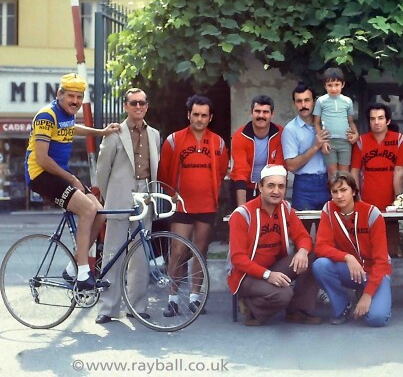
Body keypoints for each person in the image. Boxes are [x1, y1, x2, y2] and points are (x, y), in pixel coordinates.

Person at [24, 72, 120, 290]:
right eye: (71, 96)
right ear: (60, 94)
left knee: (99, 212)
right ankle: (83, 273)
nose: (75, 101)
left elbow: (73, 128)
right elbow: (41, 159)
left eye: (79, 97)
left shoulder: (65, 114)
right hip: (40, 175)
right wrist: (72, 178)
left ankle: (71, 269)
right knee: (87, 209)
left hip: (58, 173)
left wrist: (101, 132)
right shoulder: (47, 116)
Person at [157, 95, 229, 316]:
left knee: (200, 251)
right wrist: (173, 197)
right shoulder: (174, 140)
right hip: (181, 206)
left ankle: (196, 298)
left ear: (210, 118)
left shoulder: (218, 142)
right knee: (178, 250)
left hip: (207, 205)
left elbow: (222, 171)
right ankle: (172, 298)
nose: (199, 119)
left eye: (204, 115)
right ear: (189, 115)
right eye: (195, 114)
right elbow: (164, 173)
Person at [94, 88, 160, 324]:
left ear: (147, 106)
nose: (138, 107)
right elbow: (102, 170)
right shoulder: (114, 133)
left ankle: (137, 306)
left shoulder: (154, 134)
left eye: (142, 102)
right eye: (133, 103)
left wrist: (150, 192)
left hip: (145, 193)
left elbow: (155, 167)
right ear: (125, 106)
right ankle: (108, 307)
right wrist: (107, 195)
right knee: (114, 251)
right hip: (119, 193)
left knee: (141, 252)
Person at [228, 164, 321, 326]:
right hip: (246, 276)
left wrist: (302, 251)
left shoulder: (285, 209)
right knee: (284, 294)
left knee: (312, 257)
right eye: (270, 185)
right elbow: (238, 259)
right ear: (260, 187)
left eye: (281, 186)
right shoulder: (242, 214)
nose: (276, 191)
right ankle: (251, 308)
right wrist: (267, 275)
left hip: (274, 267)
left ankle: (297, 311)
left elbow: (303, 237)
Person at [313, 171, 392, 327]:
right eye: (334, 191)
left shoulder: (372, 213)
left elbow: (382, 261)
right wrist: (347, 257)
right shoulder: (329, 210)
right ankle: (342, 304)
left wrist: (367, 296)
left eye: (343, 190)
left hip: (374, 271)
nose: (339, 196)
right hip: (350, 268)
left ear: (354, 191)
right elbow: (321, 247)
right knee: (320, 265)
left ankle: (368, 293)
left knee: (376, 319)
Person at [350, 103, 403, 257]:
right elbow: (354, 171)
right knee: (368, 247)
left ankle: (390, 279)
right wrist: (356, 197)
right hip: (367, 201)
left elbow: (399, 170)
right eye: (373, 119)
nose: (376, 122)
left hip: (390, 202)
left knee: (392, 248)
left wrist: (398, 197)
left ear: (388, 121)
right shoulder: (362, 141)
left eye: (380, 118)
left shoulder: (399, 140)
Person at [282, 83, 331, 227]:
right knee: (302, 235)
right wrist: (315, 146)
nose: (303, 105)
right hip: (304, 185)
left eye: (307, 100)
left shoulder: (326, 124)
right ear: (294, 104)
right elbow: (290, 165)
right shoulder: (290, 130)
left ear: (314, 101)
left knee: (328, 235)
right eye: (299, 101)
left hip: (328, 182)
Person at [230, 95, 284, 208]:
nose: (261, 116)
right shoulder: (239, 136)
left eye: (265, 112)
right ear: (251, 113)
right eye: (257, 111)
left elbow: (279, 169)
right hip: (244, 188)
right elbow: (240, 172)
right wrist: (242, 210)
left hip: (269, 187)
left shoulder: (281, 134)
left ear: (272, 114)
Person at [313, 68, 359, 178]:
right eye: (330, 85)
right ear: (325, 86)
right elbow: (316, 123)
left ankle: (344, 195)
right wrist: (323, 142)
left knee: (344, 174)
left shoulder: (347, 101)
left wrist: (356, 134)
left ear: (342, 84)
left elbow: (350, 121)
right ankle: (333, 195)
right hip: (329, 142)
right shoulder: (321, 101)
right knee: (332, 174)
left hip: (345, 142)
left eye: (337, 84)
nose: (333, 88)